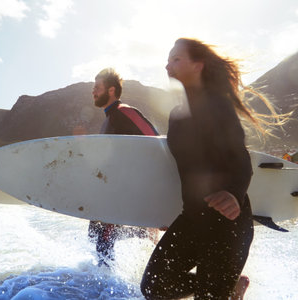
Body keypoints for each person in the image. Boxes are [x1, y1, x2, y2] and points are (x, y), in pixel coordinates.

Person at [140, 38, 285, 299]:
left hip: (227, 222)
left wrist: (233, 193)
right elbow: (186, 168)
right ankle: (230, 288)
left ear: (198, 65)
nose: (167, 65)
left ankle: (223, 289)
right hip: (192, 218)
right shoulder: (176, 114)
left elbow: (240, 158)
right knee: (153, 286)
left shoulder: (217, 104)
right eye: (168, 59)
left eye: (176, 59)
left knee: (209, 297)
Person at [89, 68, 159, 267]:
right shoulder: (108, 121)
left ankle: (108, 290)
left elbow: (156, 141)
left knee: (103, 241)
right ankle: (144, 231)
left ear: (111, 90)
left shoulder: (124, 112)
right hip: (109, 189)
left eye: (97, 88)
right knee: (94, 235)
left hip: (125, 188)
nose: (93, 92)